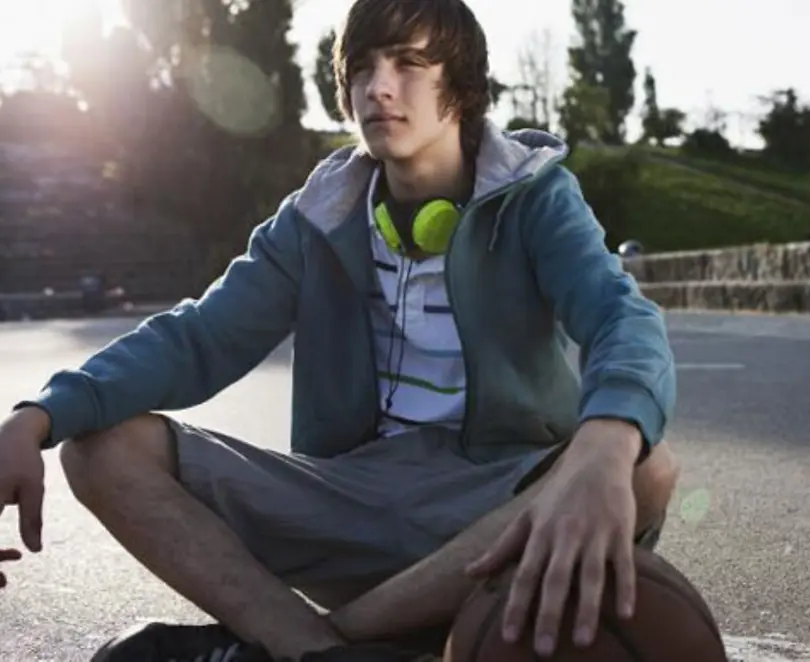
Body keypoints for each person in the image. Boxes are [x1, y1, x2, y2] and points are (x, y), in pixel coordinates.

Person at [0, 0, 679, 660]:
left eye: (410, 63)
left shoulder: (532, 197)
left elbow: (619, 313)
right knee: (99, 449)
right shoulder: (317, 219)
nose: (379, 87)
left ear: (463, 90)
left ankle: (312, 645)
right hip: (350, 498)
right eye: (362, 66)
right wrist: (35, 416)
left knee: (644, 466)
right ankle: (324, 644)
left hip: (495, 510)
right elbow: (199, 339)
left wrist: (600, 448)